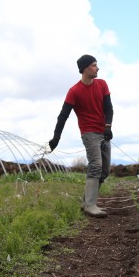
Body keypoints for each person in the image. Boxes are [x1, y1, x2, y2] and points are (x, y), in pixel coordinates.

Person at [48, 54, 113, 217]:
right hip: (89, 132)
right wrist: (56, 137)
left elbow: (109, 108)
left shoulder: (102, 84)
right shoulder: (74, 91)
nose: (97, 68)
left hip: (103, 131)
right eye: (94, 65)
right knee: (96, 165)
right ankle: (91, 205)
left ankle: (85, 202)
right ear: (84, 68)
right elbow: (63, 116)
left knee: (105, 171)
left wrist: (108, 126)